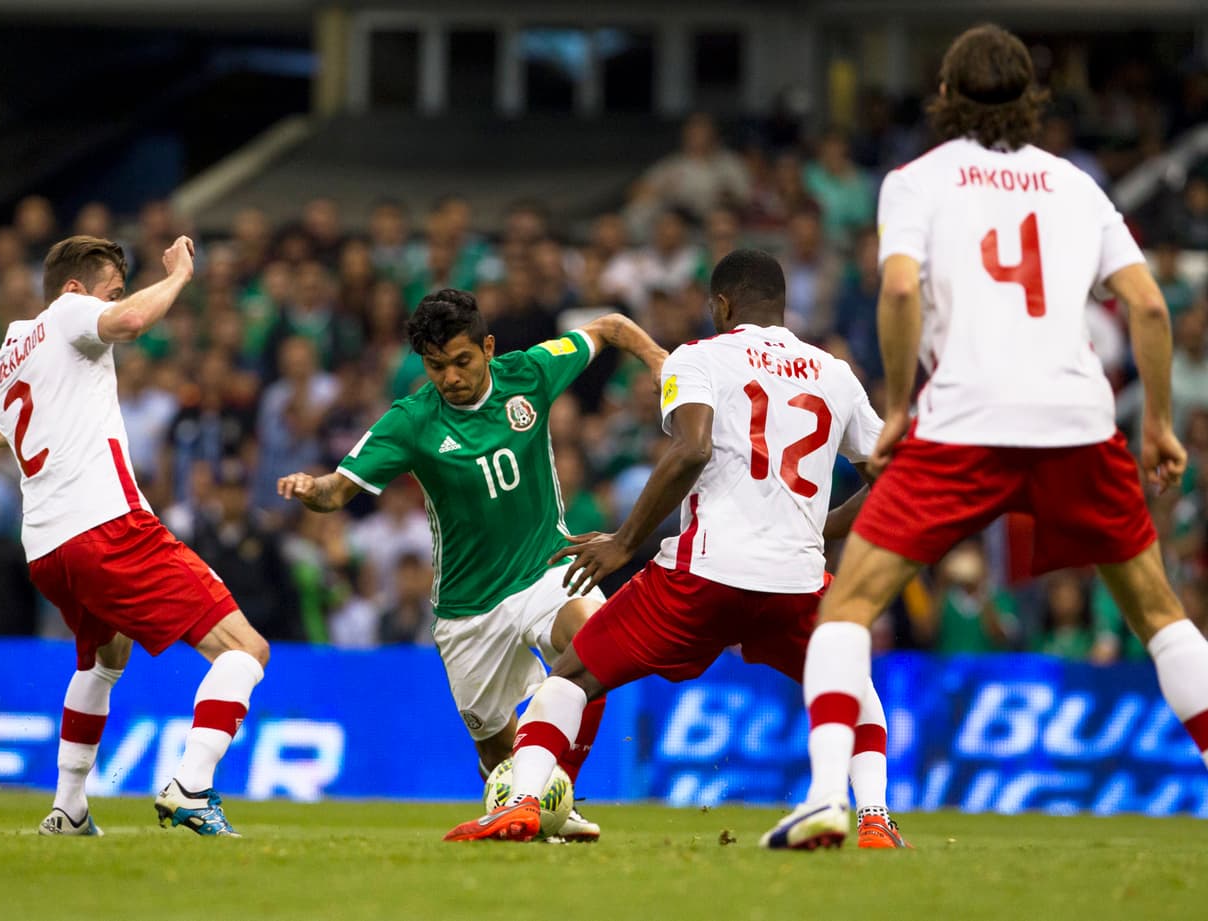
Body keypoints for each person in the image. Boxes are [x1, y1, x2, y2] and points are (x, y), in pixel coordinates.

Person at [777, 24, 1208, 851]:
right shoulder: (1076, 185)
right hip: (1077, 423)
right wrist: (1154, 420)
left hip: (964, 422)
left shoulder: (915, 180)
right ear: (1031, 99)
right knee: (1160, 613)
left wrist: (898, 404)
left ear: (944, 95)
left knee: (848, 606)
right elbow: (1151, 306)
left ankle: (829, 794)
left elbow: (900, 291)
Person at [442, 249, 908, 849]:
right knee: (854, 688)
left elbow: (692, 449)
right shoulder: (834, 372)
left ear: (721, 304)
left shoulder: (700, 356)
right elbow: (888, 476)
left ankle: (524, 802)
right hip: (795, 577)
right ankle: (874, 818)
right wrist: (828, 526)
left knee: (574, 674)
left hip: (704, 572)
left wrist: (623, 543)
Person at [278, 288, 667, 842]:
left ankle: (559, 796)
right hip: (468, 606)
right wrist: (310, 487)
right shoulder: (412, 421)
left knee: (591, 646)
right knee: (495, 749)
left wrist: (658, 359)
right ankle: (516, 796)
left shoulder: (530, 373)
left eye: (462, 361)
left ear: (487, 348)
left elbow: (608, 326)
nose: (451, 377)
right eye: (437, 367)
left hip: (545, 566)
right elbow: (338, 491)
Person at [0, 235, 270, 838]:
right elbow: (128, 322)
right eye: (112, 288)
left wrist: (33, 428)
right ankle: (191, 787)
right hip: (105, 525)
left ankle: (68, 808)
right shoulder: (70, 313)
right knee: (245, 650)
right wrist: (177, 277)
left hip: (47, 549)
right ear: (74, 288)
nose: (117, 301)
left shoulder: (4, 357)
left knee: (106, 658)